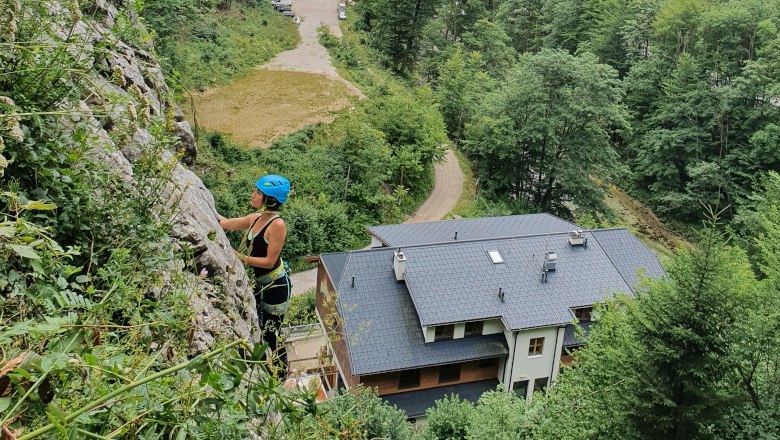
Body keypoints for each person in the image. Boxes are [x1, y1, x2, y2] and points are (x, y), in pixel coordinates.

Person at [217, 174, 291, 376]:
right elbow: (225, 223)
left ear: (270, 199)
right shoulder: (255, 218)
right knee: (261, 326)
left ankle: (281, 373)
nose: (252, 195)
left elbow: (269, 261)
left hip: (276, 287)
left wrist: (239, 256)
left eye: (258, 192)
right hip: (262, 284)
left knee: (271, 332)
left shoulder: (277, 225)